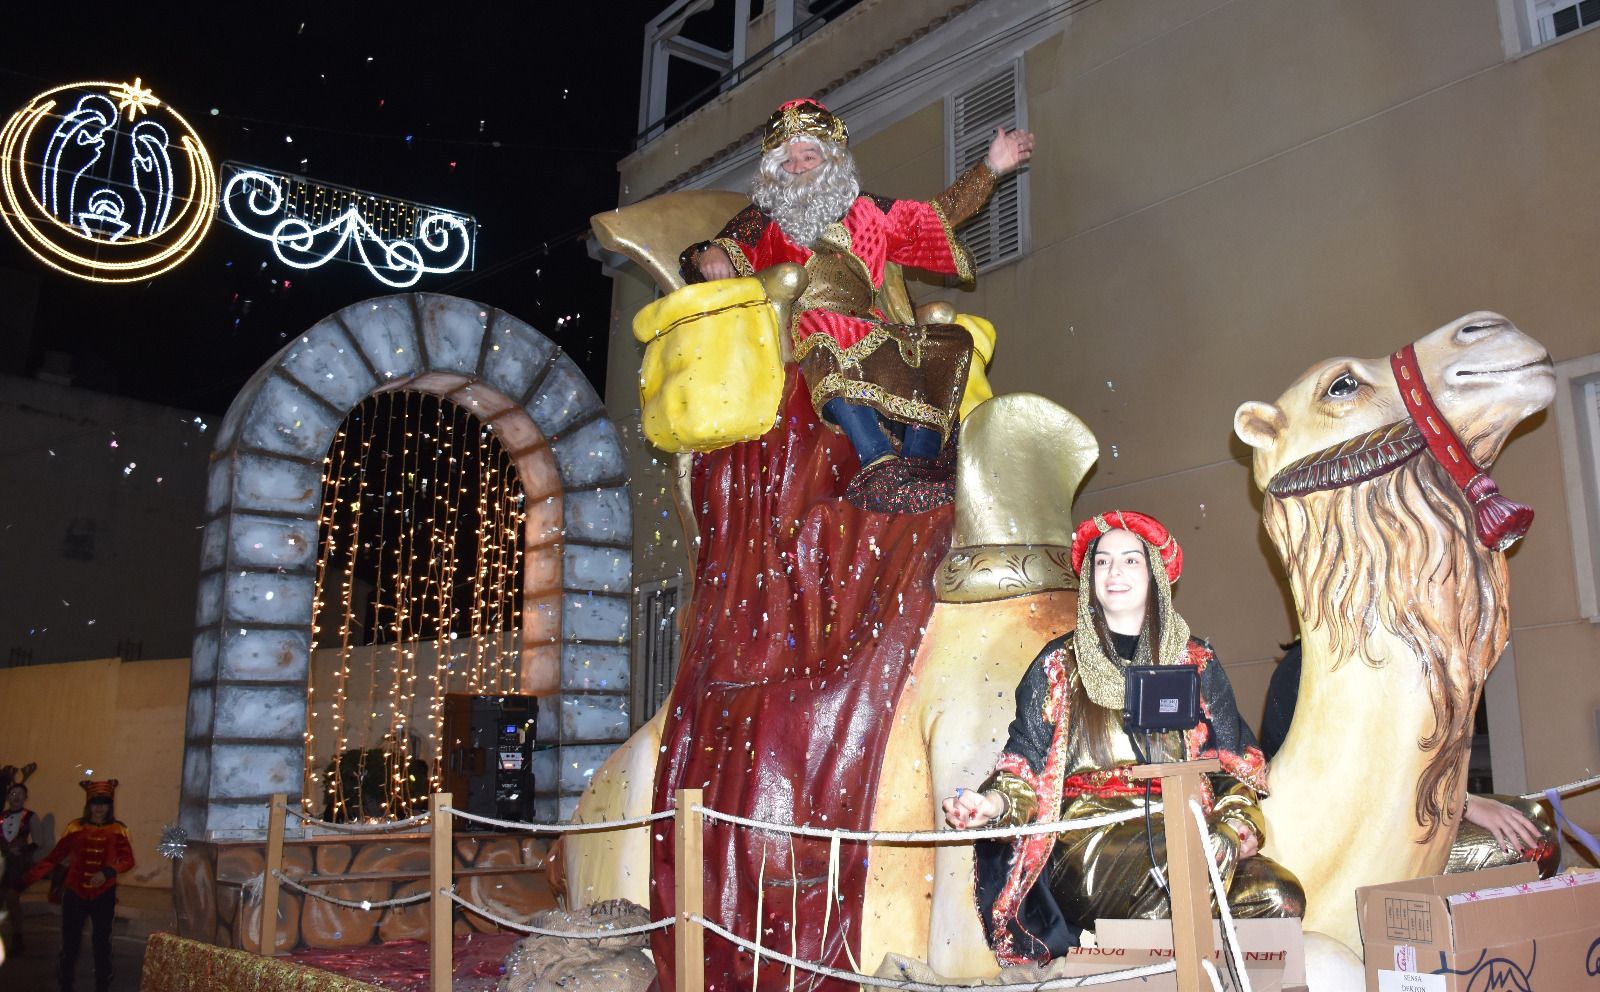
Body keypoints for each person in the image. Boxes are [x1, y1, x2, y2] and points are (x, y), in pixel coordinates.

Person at [943, 511, 1304, 965]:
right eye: (1103, 562)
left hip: (1191, 831)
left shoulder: (1197, 663)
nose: (1114, 572)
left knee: (1278, 896)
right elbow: (1025, 765)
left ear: (1155, 573)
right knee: (1187, 863)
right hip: (1090, 841)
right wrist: (992, 806)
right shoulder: (1060, 665)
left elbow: (1235, 771)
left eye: (1130, 561)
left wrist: (1234, 828)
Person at [681, 98, 1034, 501]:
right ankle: (878, 461)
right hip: (804, 327)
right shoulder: (762, 218)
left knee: (949, 343)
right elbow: (710, 256)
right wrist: (710, 253)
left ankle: (919, 464)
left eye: (808, 156)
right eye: (787, 161)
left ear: (830, 160)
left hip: (875, 325)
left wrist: (989, 169)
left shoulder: (868, 211)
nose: (797, 168)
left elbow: (934, 217)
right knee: (823, 324)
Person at [1260, 640, 1557, 874]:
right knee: (1531, 845)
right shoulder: (1303, 670)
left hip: (1403, 816)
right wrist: (1459, 804)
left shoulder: (1384, 659)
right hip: (1343, 847)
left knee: (1529, 818)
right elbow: (1345, 791)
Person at [24, 780, 134, 992]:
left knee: (102, 942)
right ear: (88, 804)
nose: (99, 807)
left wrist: (108, 871)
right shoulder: (75, 827)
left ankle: (103, 982)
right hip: (75, 893)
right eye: (95, 802)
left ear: (110, 805)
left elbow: (128, 860)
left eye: (104, 802)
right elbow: (53, 858)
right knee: (70, 941)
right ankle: (66, 982)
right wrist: (25, 880)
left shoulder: (118, 829)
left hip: (103, 894)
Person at [2, 767, 39, 956]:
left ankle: (18, 936)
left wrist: (23, 850)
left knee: (12, 898)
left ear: (25, 797)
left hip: (18, 865)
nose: (16, 796)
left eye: (20, 794)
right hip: (1, 864)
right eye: (13, 793)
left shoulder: (31, 817)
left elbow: (40, 842)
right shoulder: (1, 817)